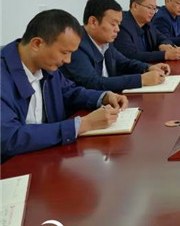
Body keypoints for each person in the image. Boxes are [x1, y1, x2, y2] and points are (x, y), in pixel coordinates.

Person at [1, 9, 128, 161]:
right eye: (64, 52)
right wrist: (81, 125)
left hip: (47, 158)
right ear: (37, 44)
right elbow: (8, 137)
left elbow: (70, 92)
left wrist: (104, 97)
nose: (68, 60)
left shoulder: (47, 66)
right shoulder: (4, 76)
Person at [61, 0, 170, 92]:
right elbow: (93, 83)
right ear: (93, 22)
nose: (117, 29)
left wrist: (148, 68)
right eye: (113, 24)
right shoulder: (77, 45)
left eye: (118, 24)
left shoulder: (106, 42)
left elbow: (125, 63)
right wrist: (141, 80)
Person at [113, 0, 180, 63]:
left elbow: (164, 38)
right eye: (150, 7)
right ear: (135, 6)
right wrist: (165, 55)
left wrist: (163, 45)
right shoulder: (122, 26)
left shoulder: (148, 24)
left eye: (154, 8)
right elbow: (130, 55)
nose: (152, 12)